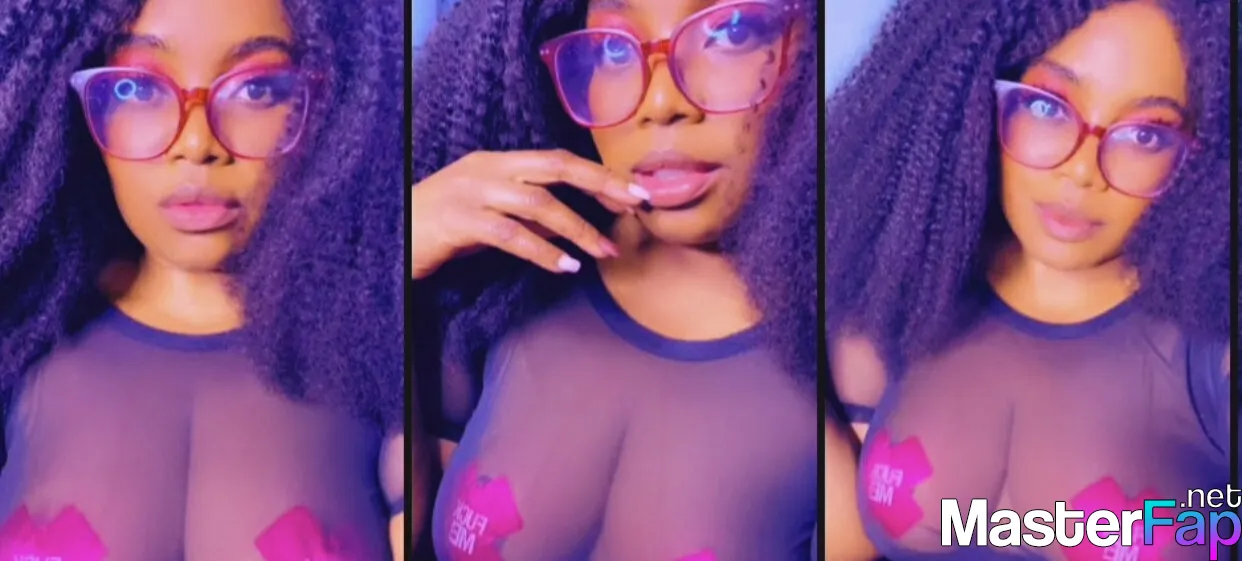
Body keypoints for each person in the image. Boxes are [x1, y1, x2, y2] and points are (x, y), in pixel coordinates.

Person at [0, 0, 410, 558]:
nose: (196, 144)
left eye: (258, 89)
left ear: (340, 106)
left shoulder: (381, 362)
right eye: (136, 88)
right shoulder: (19, 343)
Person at [411, 0, 819, 559]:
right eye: (611, 49)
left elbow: (944, 524)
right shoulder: (505, 282)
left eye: (731, 32)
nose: (662, 103)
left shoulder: (844, 346)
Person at [825, 0, 1229, 560]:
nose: (1082, 171)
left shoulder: (1212, 355)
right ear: (971, 102)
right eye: (1047, 107)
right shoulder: (905, 295)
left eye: (1145, 136)